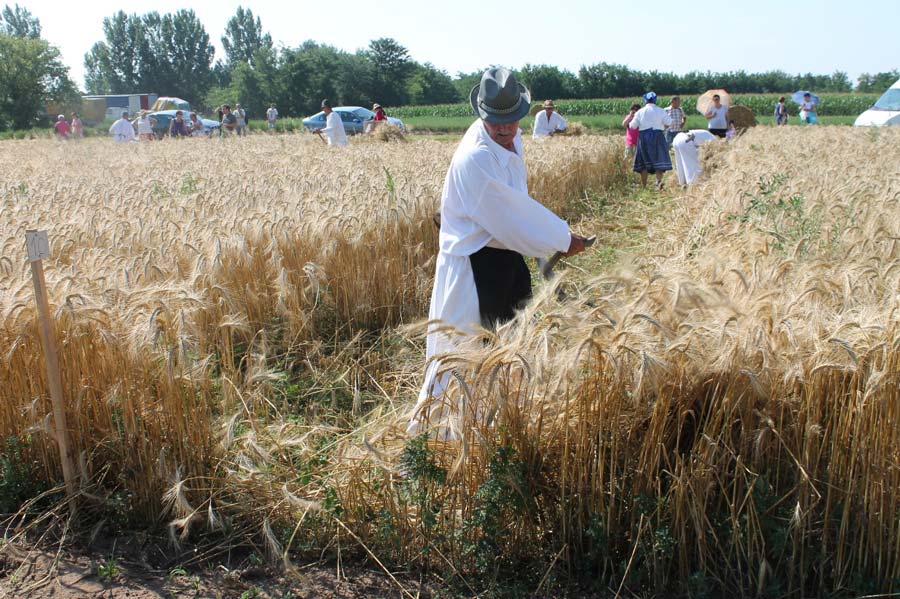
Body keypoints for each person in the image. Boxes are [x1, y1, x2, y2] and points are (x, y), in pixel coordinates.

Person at [407, 67, 589, 435]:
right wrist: (564, 240)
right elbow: (510, 216)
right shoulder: (476, 157)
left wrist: (550, 239)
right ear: (481, 114)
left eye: (510, 120)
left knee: (509, 348)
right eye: (495, 121)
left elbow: (516, 207)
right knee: (465, 355)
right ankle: (441, 435)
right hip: (476, 269)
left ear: (521, 114)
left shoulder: (509, 141)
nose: (504, 128)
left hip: (506, 259)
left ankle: (500, 425)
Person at [629, 92, 673, 190]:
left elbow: (632, 126)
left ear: (645, 100)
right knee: (659, 159)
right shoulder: (661, 111)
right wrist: (662, 125)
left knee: (643, 162)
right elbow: (670, 122)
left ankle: (644, 186)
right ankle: (659, 183)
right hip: (658, 136)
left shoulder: (640, 112)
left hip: (644, 137)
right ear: (655, 100)